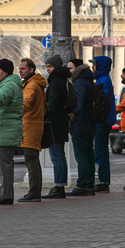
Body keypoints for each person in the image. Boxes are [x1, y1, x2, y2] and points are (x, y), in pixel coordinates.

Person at [0, 59, 23, 205]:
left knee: (5, 165)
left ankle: (6, 195)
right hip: (4, 129)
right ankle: (5, 194)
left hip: (5, 129)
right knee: (5, 165)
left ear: (7, 71)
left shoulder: (9, 86)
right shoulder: (8, 84)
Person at [41, 55, 71, 199]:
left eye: (50, 67)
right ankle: (61, 184)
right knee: (60, 154)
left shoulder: (55, 81)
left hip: (54, 122)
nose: (48, 70)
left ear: (56, 67)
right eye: (47, 67)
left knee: (56, 155)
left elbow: (52, 103)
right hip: (62, 120)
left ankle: (58, 186)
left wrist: (45, 113)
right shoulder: (63, 80)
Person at [17, 58, 46, 202]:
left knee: (31, 159)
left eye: (23, 68)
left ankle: (34, 193)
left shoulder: (31, 85)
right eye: (19, 68)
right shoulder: (33, 83)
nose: (20, 71)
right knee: (32, 159)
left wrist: (13, 111)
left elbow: (25, 103)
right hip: (32, 124)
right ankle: (35, 192)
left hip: (30, 125)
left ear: (31, 70)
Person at [68, 58, 96, 196]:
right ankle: (90, 184)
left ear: (77, 69)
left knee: (81, 156)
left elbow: (79, 100)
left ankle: (82, 185)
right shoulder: (89, 80)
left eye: (71, 68)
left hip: (80, 122)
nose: (69, 71)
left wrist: (74, 113)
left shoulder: (79, 82)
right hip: (90, 122)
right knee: (89, 154)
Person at [90, 56, 116, 193]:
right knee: (101, 151)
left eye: (94, 65)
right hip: (104, 120)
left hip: (101, 121)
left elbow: (100, 100)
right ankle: (103, 181)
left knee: (101, 152)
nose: (93, 67)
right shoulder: (102, 79)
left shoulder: (103, 80)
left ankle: (103, 182)